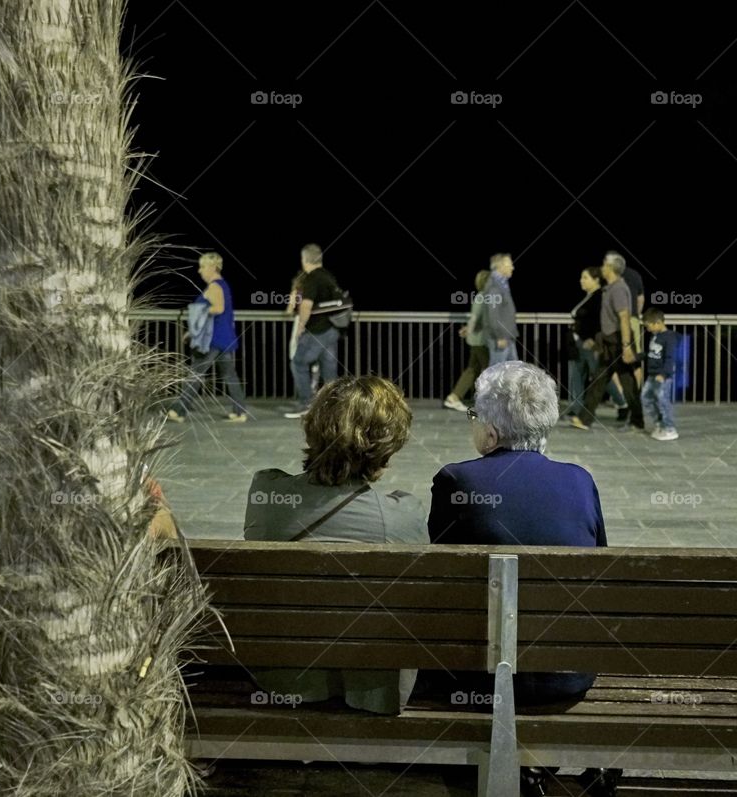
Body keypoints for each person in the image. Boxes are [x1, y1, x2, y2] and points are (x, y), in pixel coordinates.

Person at [426, 360, 613, 793]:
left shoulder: (458, 479)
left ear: (490, 433)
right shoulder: (579, 481)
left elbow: (442, 576)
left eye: (474, 416)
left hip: (482, 679)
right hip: (567, 674)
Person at [245, 375, 428, 713]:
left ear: (312, 428)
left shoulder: (266, 494)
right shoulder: (404, 515)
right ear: (387, 446)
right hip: (374, 689)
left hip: (285, 679)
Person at [167, 252, 248, 422]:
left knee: (195, 374)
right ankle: (239, 412)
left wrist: (198, 312)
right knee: (229, 374)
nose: (199, 271)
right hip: (224, 338)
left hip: (211, 339)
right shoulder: (222, 285)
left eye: (202, 266)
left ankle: (179, 411)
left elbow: (218, 308)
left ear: (212, 267)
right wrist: (192, 331)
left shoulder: (214, 287)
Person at [571, 252, 644, 432]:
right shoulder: (610, 288)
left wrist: (626, 346)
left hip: (618, 342)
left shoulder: (618, 288)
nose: (602, 267)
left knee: (627, 384)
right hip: (609, 342)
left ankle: (636, 421)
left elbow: (624, 317)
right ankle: (585, 419)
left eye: (604, 265)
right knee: (599, 379)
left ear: (611, 268)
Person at [284, 243, 342, 419]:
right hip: (333, 329)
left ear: (305, 259)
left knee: (298, 362)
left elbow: (306, 306)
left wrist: (300, 328)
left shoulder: (312, 278)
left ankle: (306, 404)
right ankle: (335, 408)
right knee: (328, 370)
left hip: (317, 331)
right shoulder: (328, 277)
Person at [563, 266, 626, 418]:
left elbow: (599, 321)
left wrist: (591, 338)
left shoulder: (600, 297)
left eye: (585, 278)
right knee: (576, 374)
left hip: (590, 343)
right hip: (578, 343)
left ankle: (623, 404)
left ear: (596, 280)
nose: (581, 281)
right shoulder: (589, 296)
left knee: (600, 375)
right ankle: (577, 407)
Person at [443, 269, 490, 412]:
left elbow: (477, 319)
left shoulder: (483, 297)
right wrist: (469, 329)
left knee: (472, 369)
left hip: (477, 340)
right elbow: (475, 318)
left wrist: (468, 329)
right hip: (480, 341)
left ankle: (454, 397)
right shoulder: (483, 298)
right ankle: (489, 403)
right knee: (492, 370)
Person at [641, 307, 678, 441]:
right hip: (652, 375)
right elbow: (651, 354)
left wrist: (663, 374)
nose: (648, 329)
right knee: (646, 398)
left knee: (662, 400)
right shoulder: (655, 336)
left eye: (649, 326)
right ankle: (659, 424)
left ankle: (669, 428)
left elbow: (669, 358)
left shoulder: (669, 338)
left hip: (663, 376)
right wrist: (638, 357)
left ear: (657, 323)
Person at [479, 253, 518, 365]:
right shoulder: (494, 287)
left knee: (512, 371)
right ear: (500, 266)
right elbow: (493, 314)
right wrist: (499, 336)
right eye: (510, 265)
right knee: (496, 372)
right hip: (500, 337)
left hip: (506, 336)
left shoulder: (501, 284)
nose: (512, 267)